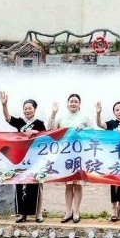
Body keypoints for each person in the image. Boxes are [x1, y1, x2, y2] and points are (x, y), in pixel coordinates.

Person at [3, 92, 47, 222]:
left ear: (34, 110)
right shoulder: (20, 122)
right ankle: (22, 213)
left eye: (30, 108)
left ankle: (38, 213)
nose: (27, 110)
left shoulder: (39, 123)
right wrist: (4, 104)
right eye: (25, 108)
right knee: (20, 184)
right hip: (21, 159)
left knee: (37, 185)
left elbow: (46, 137)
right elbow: (7, 118)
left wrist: (36, 132)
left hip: (35, 159)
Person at [50, 93, 93, 223]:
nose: (73, 103)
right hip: (66, 154)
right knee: (68, 184)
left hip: (80, 155)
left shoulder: (85, 117)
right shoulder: (61, 116)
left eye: (76, 101)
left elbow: (94, 131)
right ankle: (68, 211)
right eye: (71, 101)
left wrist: (84, 130)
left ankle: (76, 211)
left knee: (77, 184)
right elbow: (51, 130)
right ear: (67, 103)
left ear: (80, 104)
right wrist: (53, 114)